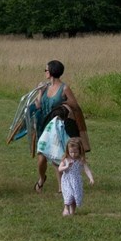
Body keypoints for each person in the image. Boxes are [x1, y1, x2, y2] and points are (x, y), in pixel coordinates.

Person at [33, 60, 86, 194]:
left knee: (57, 157)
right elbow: (38, 106)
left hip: (57, 127)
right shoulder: (44, 87)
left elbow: (74, 104)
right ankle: (41, 178)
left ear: (51, 72)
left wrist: (62, 105)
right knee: (41, 159)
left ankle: (61, 188)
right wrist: (39, 92)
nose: (45, 72)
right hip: (44, 126)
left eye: (46, 70)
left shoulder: (64, 88)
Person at [58, 137, 94, 216]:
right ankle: (66, 209)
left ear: (80, 151)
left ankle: (72, 212)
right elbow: (60, 169)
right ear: (68, 151)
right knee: (69, 194)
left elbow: (86, 169)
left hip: (76, 181)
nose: (73, 154)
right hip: (67, 181)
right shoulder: (66, 159)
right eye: (71, 152)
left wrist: (91, 178)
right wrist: (66, 167)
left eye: (75, 152)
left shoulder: (80, 160)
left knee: (75, 196)